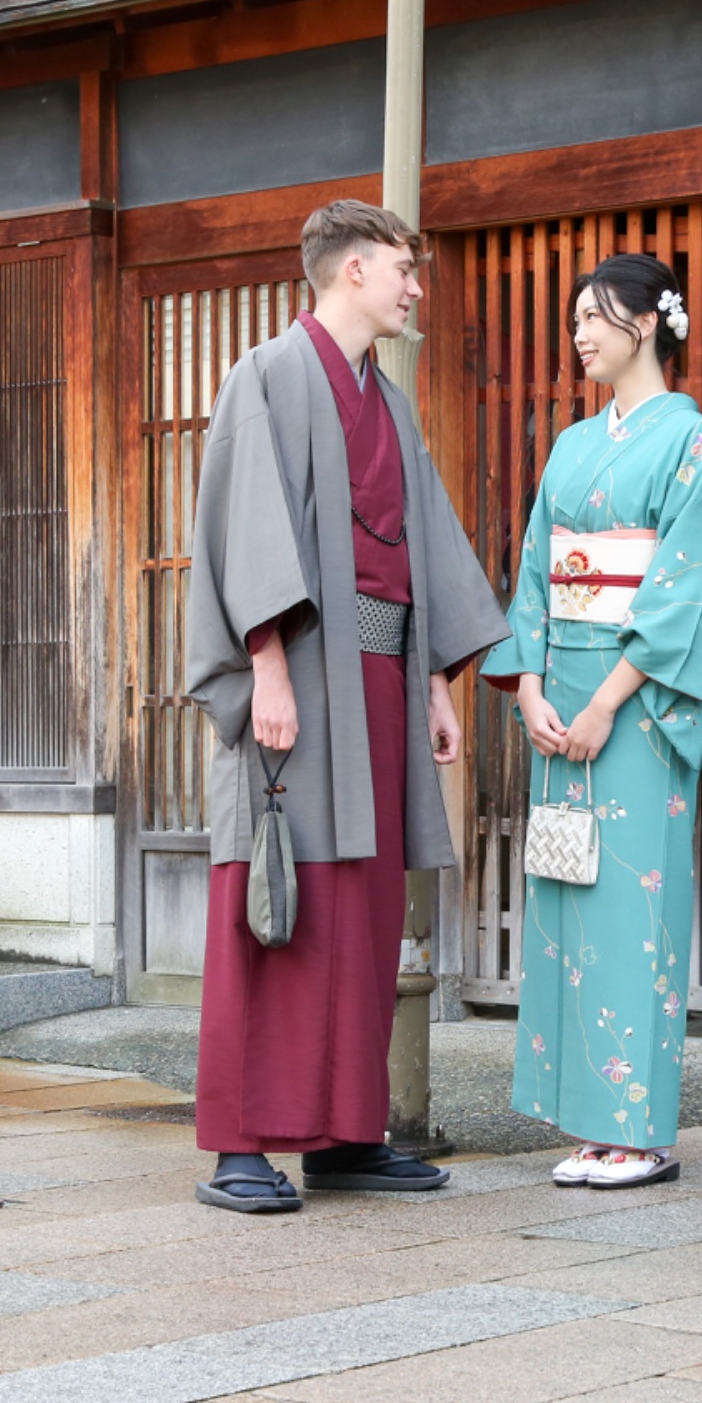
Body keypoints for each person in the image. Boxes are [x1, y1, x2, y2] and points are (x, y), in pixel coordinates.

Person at [183, 199, 510, 1214]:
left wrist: (434, 683)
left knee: (361, 908)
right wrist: (267, 668)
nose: (415, 288)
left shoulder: (391, 405)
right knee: (274, 903)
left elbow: (421, 553)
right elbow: (243, 530)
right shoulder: (267, 375)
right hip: (297, 675)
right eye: (404, 269)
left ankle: (347, 1135)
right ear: (353, 269)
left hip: (379, 679)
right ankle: (240, 1144)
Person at [480, 253, 702, 1189]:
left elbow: (691, 589)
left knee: (634, 905)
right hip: (561, 702)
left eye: (595, 317)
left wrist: (605, 701)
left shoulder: (692, 443)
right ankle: (589, 1123)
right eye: (576, 320)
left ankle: (642, 1130)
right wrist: (530, 687)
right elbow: (535, 573)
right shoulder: (571, 446)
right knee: (568, 900)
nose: (580, 334)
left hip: (633, 708)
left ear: (648, 323)